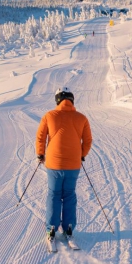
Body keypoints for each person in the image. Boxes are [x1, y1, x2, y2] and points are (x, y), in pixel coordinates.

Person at [36, 87, 92, 250]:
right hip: (73, 164)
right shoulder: (82, 118)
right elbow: (87, 140)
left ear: (57, 100)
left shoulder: (49, 116)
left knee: (54, 194)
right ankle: (68, 229)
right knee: (69, 194)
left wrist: (40, 154)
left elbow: (41, 136)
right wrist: (81, 155)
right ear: (71, 100)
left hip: (54, 164)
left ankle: (51, 229)